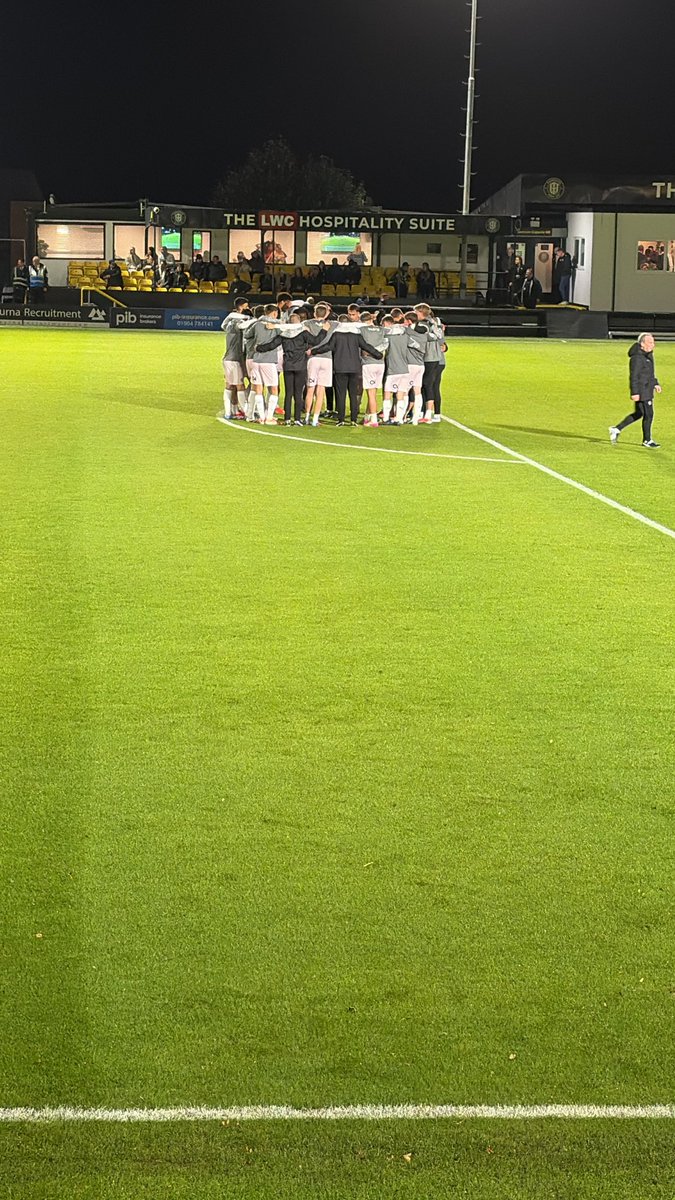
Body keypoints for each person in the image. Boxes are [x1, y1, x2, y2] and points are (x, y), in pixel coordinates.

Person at [310, 322, 383, 426]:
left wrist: (314, 351)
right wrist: (378, 355)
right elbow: (366, 346)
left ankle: (341, 420)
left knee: (341, 395)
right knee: (353, 395)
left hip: (340, 368)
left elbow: (328, 346)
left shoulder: (337, 334)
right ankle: (353, 419)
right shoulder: (356, 335)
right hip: (354, 369)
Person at [609, 333, 662, 449]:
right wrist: (635, 392)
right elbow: (634, 376)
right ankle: (647, 440)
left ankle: (616, 429)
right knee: (649, 414)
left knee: (639, 413)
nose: (652, 345)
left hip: (647, 388)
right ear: (642, 344)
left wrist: (655, 383)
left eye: (653, 342)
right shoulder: (637, 358)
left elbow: (649, 373)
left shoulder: (648, 355)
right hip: (642, 390)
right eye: (650, 342)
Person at [220, 298, 253, 419]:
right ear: (241, 307)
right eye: (246, 306)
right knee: (239, 386)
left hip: (229, 359)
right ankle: (246, 412)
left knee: (230, 385)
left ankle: (231, 411)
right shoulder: (236, 324)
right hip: (234, 359)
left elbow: (223, 325)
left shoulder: (230, 323)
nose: (248, 307)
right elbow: (244, 324)